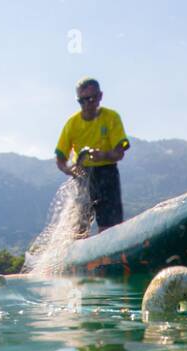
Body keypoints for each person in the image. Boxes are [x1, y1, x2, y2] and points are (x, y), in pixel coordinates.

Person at [54, 78, 130, 236]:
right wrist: (69, 169)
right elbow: (60, 158)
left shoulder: (111, 117)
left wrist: (104, 154)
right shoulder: (72, 124)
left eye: (91, 98)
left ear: (100, 96)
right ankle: (80, 256)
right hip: (83, 176)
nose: (87, 104)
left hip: (106, 173)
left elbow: (120, 151)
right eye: (81, 100)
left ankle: (109, 253)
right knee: (79, 229)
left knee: (109, 227)